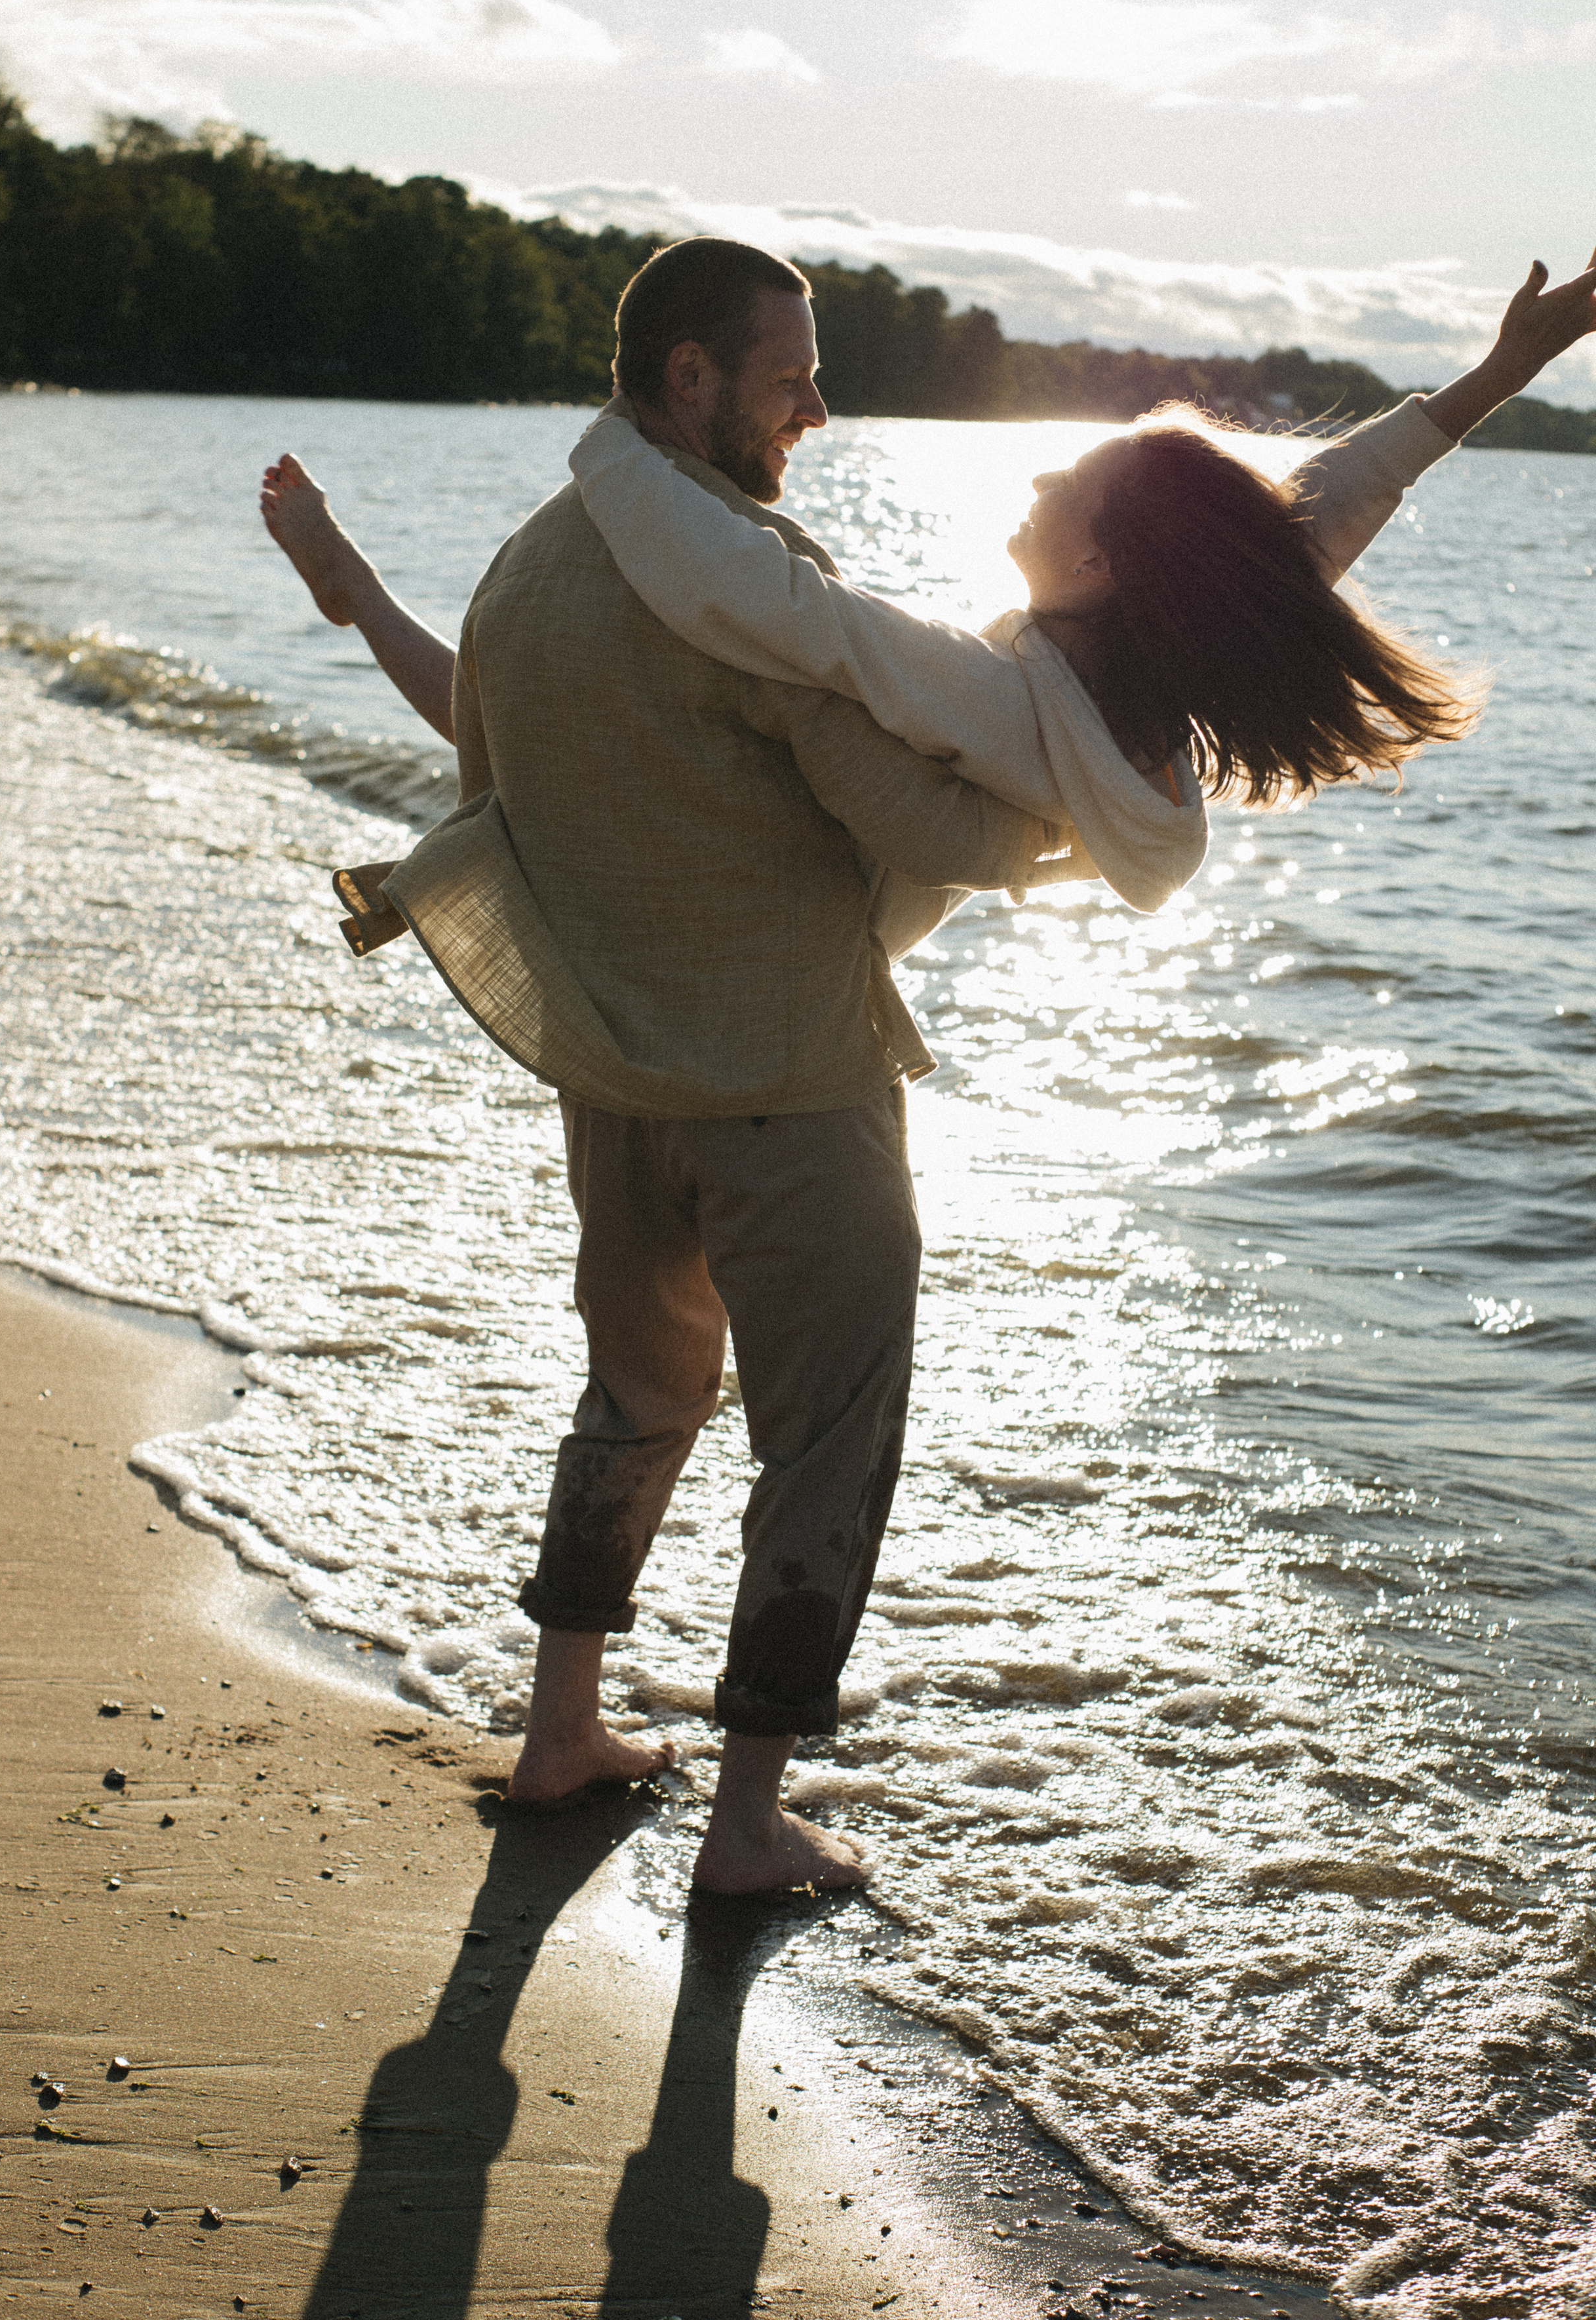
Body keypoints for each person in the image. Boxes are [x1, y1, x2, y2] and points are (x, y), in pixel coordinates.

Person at [263, 239, 1061, 1896]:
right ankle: (748, 1823)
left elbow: (474, 744)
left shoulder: (528, 573)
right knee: (825, 1440)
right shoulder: (740, 576)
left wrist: (353, 601)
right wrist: (1093, 805)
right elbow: (902, 813)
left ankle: (562, 1732)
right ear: (687, 379)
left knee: (632, 1399)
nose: (817, 411)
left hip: (617, 1096)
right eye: (790, 379)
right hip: (790, 1090)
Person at [561, 251, 1596, 919]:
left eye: (1070, 478)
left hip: (773, 985)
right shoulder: (1156, 675)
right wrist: (1505, 369)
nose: (1041, 473)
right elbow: (1329, 505)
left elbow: (770, 601)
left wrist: (615, 447)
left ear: (1099, 564)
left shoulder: (997, 698)